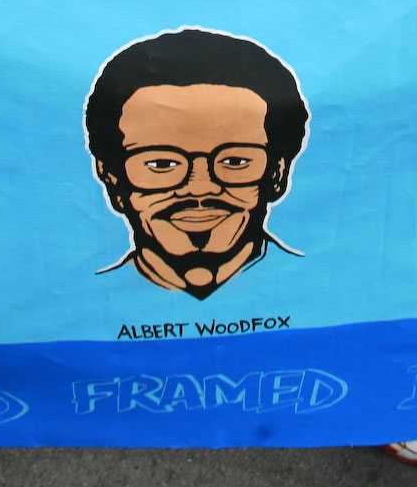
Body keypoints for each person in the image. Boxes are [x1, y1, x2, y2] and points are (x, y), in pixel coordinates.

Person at [85, 27, 308, 296]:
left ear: (277, 174)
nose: (200, 188)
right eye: (162, 165)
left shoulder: (329, 289)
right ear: (112, 178)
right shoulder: (73, 305)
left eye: (235, 161)